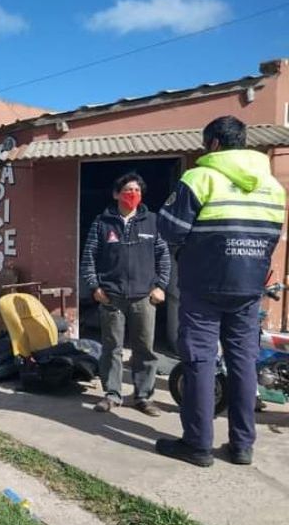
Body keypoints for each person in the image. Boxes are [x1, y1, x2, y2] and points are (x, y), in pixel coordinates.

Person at [157, 116, 286, 467]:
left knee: (199, 361)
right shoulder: (273, 186)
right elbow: (271, 237)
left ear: (213, 143)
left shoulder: (199, 178)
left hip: (203, 285)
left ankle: (198, 445)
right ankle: (242, 446)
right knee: (243, 361)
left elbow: (170, 228)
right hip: (249, 287)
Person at [81, 173, 171, 416]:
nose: (133, 194)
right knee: (112, 348)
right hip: (111, 297)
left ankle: (143, 396)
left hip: (144, 297)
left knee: (145, 349)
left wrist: (161, 286)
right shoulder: (102, 223)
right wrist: (94, 287)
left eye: (137, 190)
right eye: (128, 190)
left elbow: (164, 256)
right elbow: (88, 257)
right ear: (116, 194)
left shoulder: (153, 222)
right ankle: (112, 395)